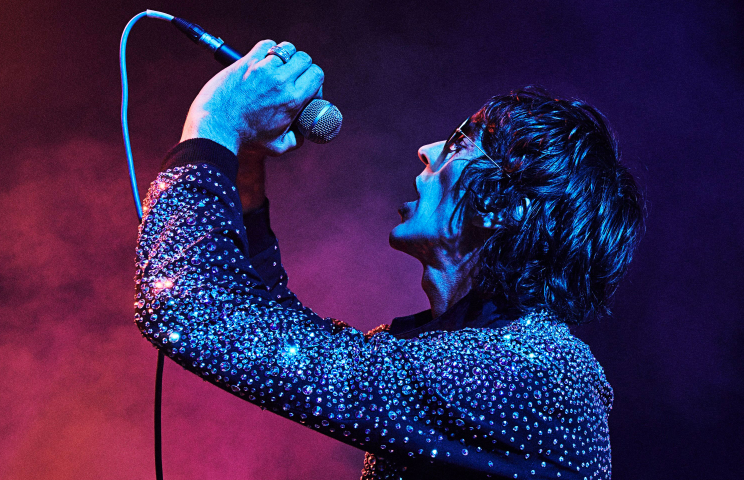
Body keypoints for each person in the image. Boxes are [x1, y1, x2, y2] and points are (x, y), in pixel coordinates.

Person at [134, 39, 644, 480]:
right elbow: (264, 322)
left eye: (460, 144)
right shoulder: (466, 358)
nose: (427, 150)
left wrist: (215, 122)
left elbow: (194, 312)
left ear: (504, 206)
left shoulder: (539, 376)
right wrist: (243, 160)